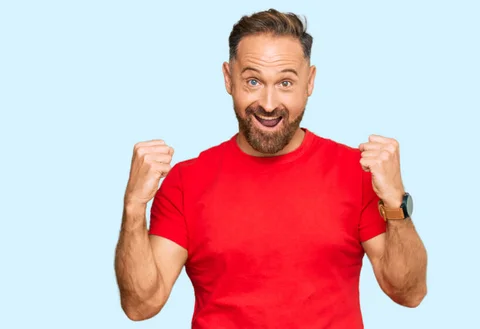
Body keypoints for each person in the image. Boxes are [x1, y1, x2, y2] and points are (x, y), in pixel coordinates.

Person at [114, 8, 427, 329]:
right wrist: (134, 206)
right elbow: (141, 305)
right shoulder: (185, 181)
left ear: (310, 82)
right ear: (228, 78)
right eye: (252, 81)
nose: (267, 102)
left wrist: (395, 203)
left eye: (286, 83)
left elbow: (409, 293)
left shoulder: (356, 173)